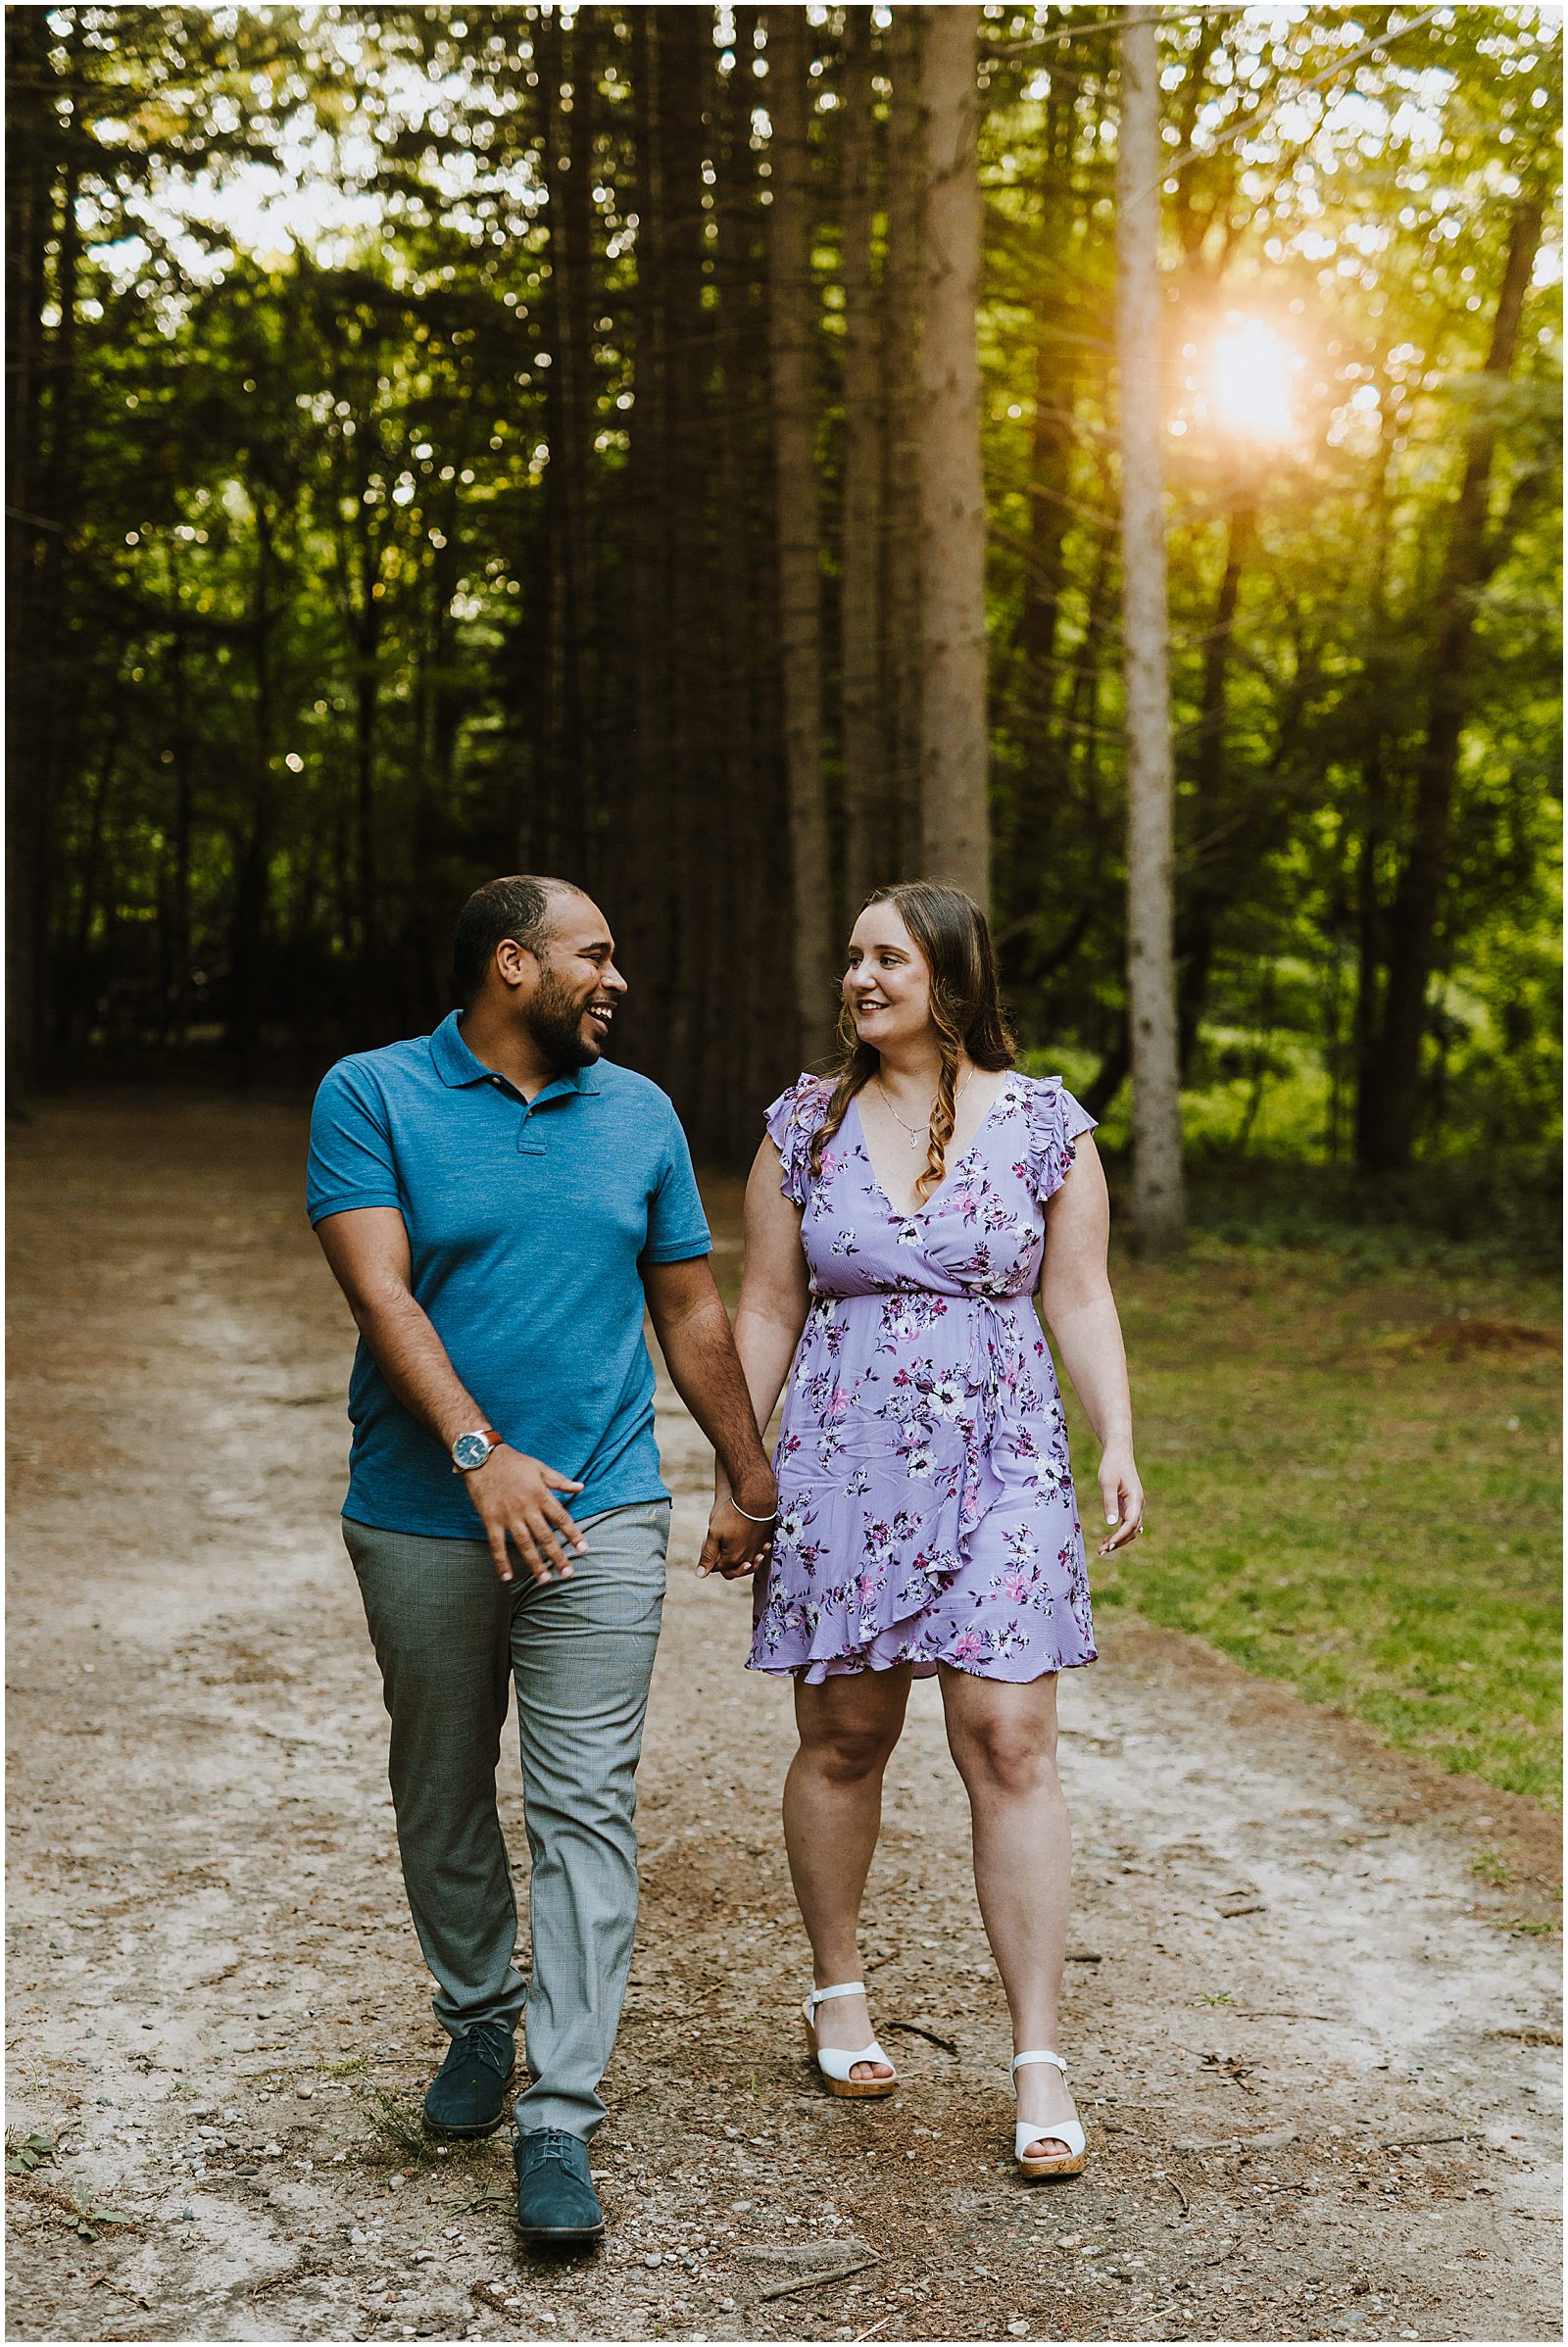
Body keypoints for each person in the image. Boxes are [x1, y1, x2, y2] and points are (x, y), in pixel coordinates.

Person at [308, 876, 776, 2247]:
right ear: (513, 966)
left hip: (605, 1505)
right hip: (421, 1509)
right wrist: (477, 1453)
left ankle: (560, 2112)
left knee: (584, 1802)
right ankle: (476, 2018)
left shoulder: (639, 1112)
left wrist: (749, 1472)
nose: (615, 978)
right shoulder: (373, 1093)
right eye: (595, 955)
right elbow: (379, 1288)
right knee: (440, 1778)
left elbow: (688, 1307)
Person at [709, 880, 1145, 2178]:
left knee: (1009, 1734)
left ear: (950, 977)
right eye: (851, 958)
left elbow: (1078, 1294)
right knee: (847, 1733)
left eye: (886, 958)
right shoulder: (805, 1124)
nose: (860, 978)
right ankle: (836, 1987)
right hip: (840, 1465)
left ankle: (1039, 2056)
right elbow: (768, 1310)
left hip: (1002, 1461)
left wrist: (1115, 1435)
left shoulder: (1050, 1129)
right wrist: (742, 1469)